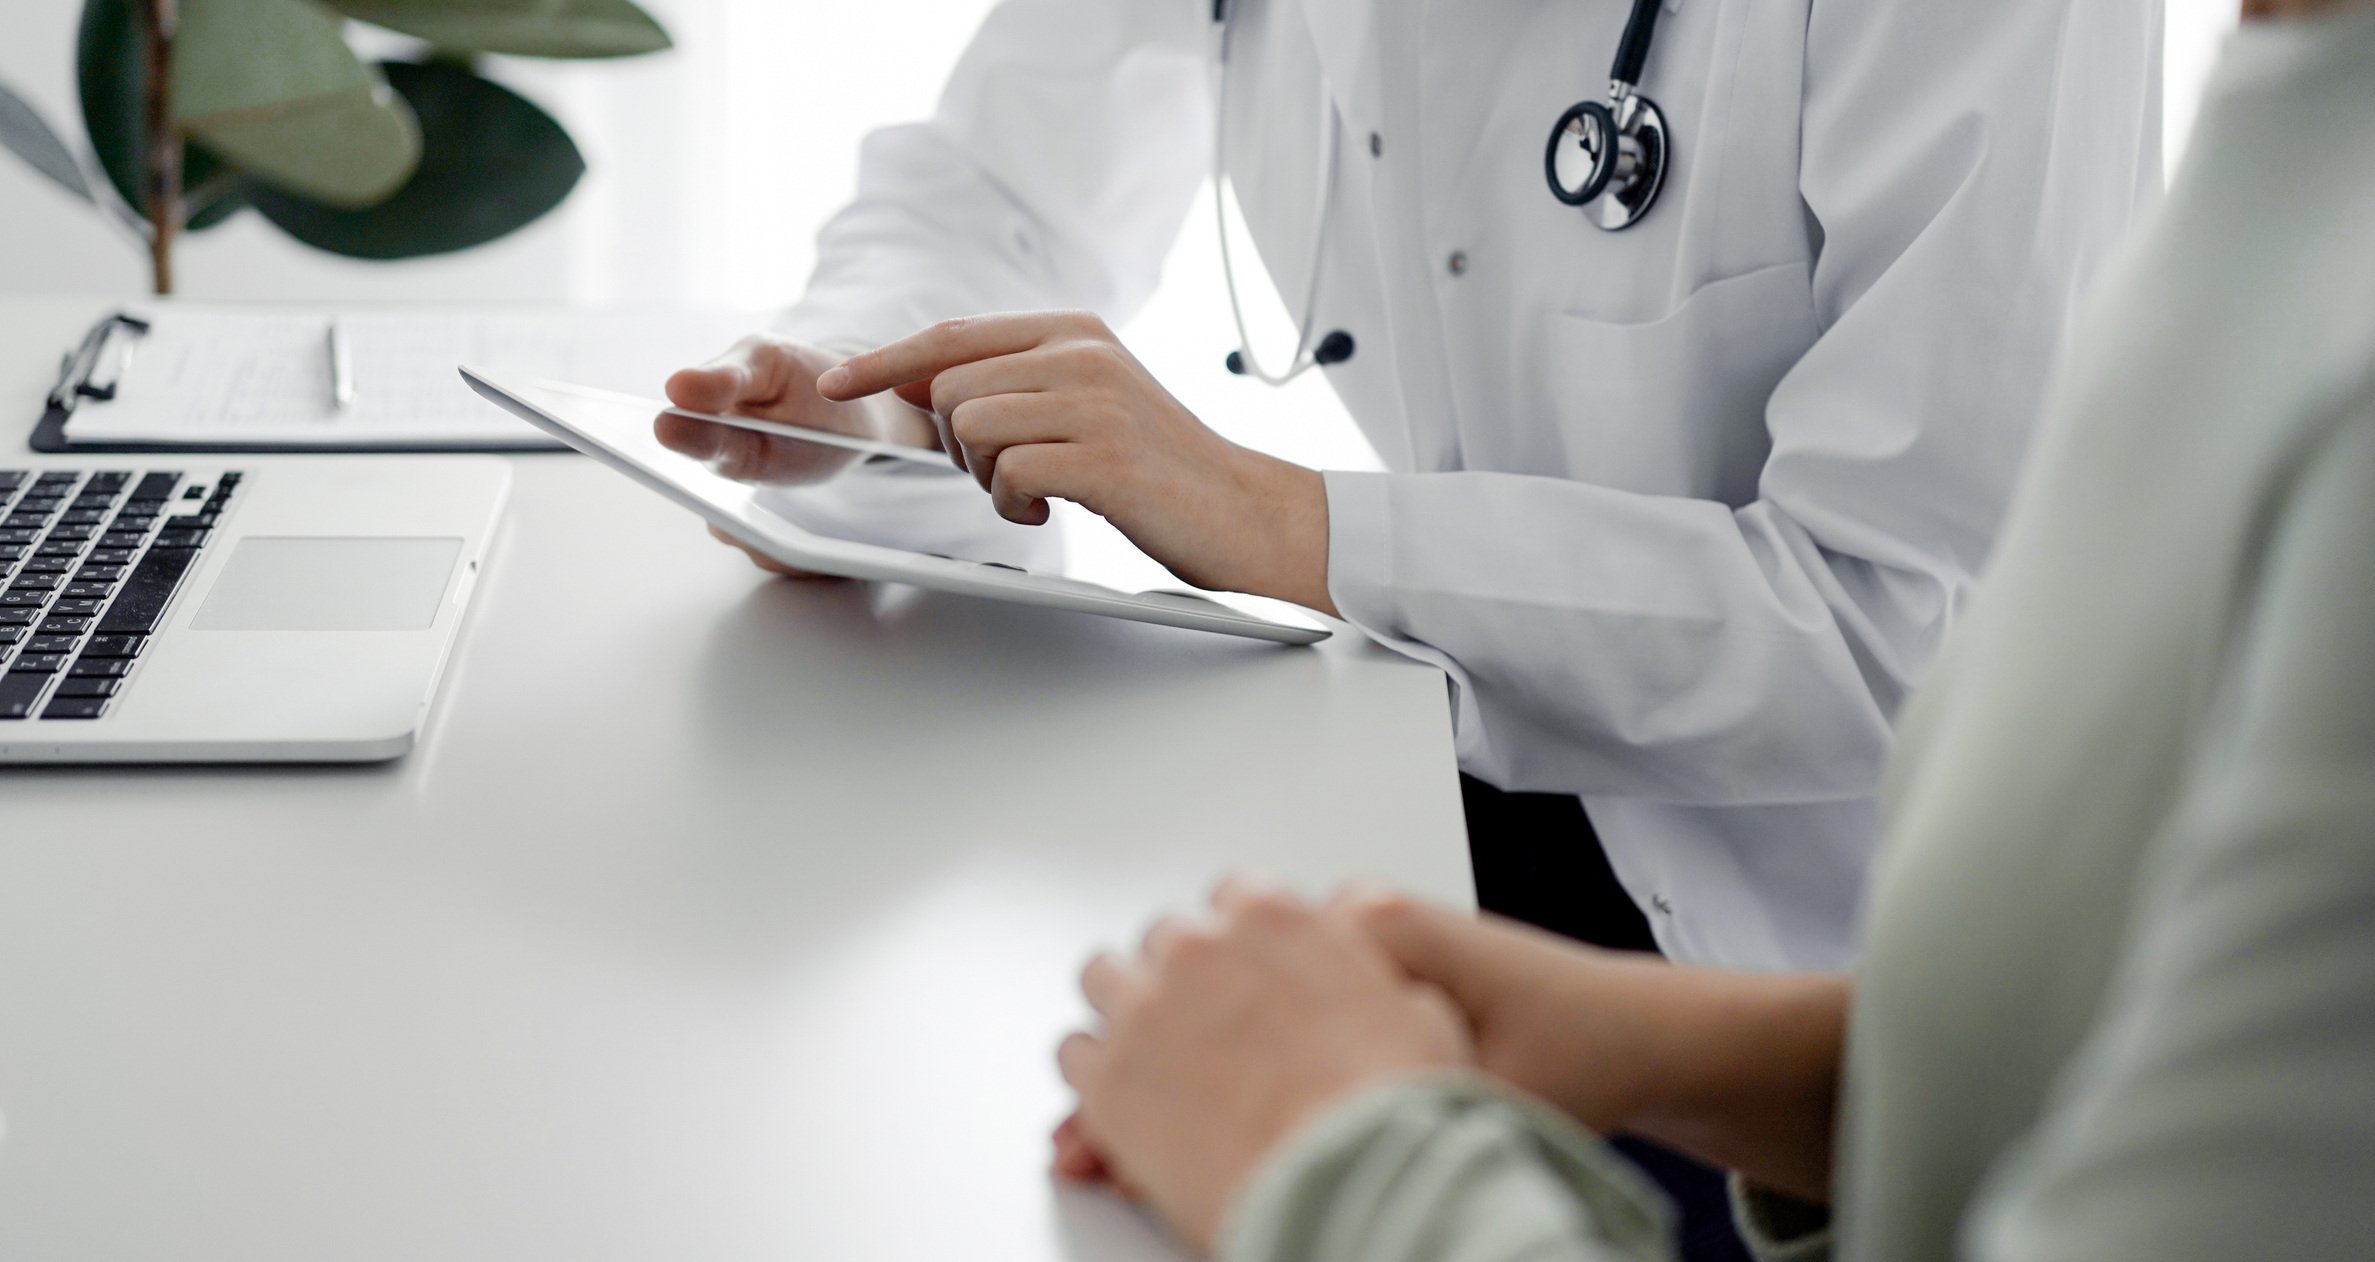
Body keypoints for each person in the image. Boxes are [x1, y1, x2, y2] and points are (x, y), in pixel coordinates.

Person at [1046, 2, 2375, 1258]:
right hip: (1648, 934)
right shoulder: (2288, 108)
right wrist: (1693, 1051)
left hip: (1771, 876)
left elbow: (1892, 609)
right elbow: (2131, 1055)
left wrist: (1335, 1148)